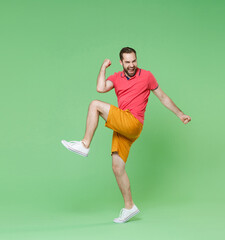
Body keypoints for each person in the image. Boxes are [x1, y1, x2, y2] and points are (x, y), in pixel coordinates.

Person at [61, 47, 191, 223]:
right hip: (123, 126)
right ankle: (129, 207)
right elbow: (100, 88)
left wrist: (180, 114)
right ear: (121, 62)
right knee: (117, 167)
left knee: (94, 105)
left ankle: (85, 144)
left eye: (134, 61)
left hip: (133, 122)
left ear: (137, 59)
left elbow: (162, 97)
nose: (132, 65)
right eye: (128, 62)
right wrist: (103, 67)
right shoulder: (116, 77)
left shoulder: (147, 76)